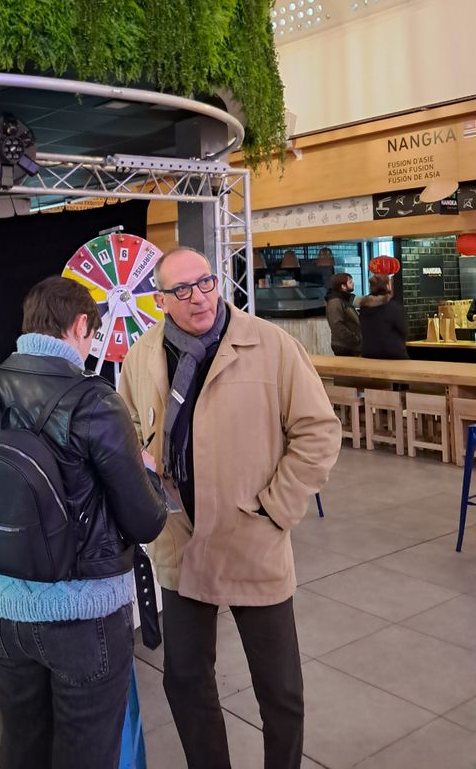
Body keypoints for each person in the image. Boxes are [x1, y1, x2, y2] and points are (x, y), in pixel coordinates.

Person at [118, 247, 342, 769]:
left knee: (280, 691)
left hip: (251, 538)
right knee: (186, 682)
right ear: (160, 301)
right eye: (181, 290)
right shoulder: (143, 354)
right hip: (180, 540)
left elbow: (318, 431)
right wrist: (144, 461)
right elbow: (127, 425)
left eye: (205, 283)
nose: (198, 297)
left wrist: (276, 509)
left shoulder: (271, 346)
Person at [0, 275, 167, 769]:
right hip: (83, 614)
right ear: (80, 325)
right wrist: (150, 477)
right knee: (86, 751)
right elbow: (146, 521)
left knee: (22, 746)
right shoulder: (94, 399)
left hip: (1, 612)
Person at [357, 274, 408, 359]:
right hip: (393, 354)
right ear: (388, 285)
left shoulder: (364, 307)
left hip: (368, 354)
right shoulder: (393, 307)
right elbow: (404, 329)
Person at [325, 271, 361, 356]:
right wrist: (354, 338)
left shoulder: (344, 300)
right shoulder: (335, 301)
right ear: (343, 286)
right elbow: (336, 324)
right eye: (350, 282)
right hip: (344, 346)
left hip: (351, 345)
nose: (353, 284)